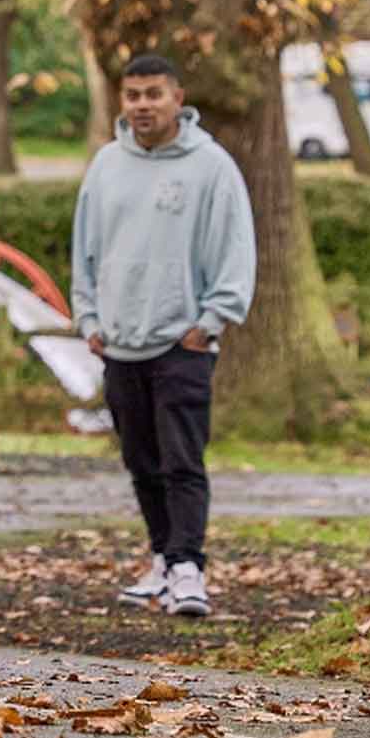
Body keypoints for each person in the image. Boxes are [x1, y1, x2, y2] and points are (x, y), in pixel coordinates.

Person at [70, 54, 254, 619]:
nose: (143, 105)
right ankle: (161, 561)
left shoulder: (211, 166)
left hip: (182, 342)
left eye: (154, 94)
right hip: (118, 342)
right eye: (133, 95)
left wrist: (211, 322)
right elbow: (85, 251)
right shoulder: (107, 164)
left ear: (178, 98)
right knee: (141, 461)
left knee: (182, 461)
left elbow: (235, 248)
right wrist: (89, 321)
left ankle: (189, 567)